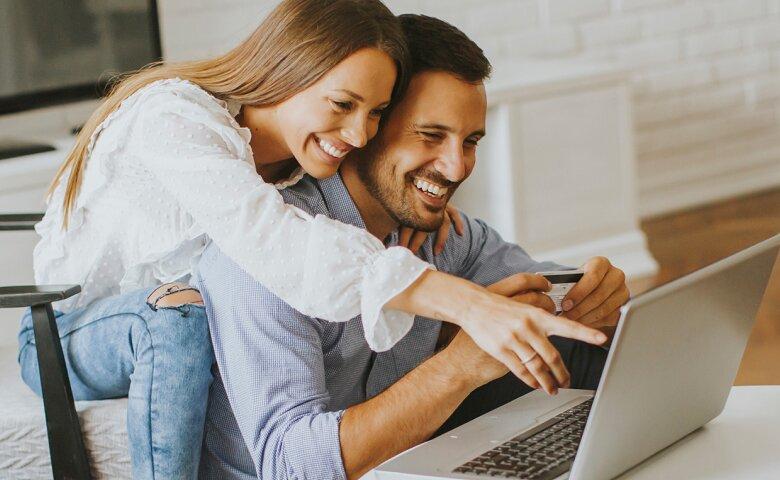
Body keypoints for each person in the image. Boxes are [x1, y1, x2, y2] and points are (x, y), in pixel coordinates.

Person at [18, 1, 611, 478]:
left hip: (182, 293)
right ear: (287, 72)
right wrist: (457, 304)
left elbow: (544, 297)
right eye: (344, 105)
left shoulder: (304, 166)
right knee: (178, 323)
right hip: (77, 320)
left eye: (375, 113)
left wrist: (590, 292)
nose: (356, 132)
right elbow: (270, 237)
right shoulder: (180, 125)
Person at [197, 13, 629, 479]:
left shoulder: (440, 234)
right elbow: (291, 465)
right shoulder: (264, 257)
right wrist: (458, 366)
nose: (457, 167)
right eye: (431, 136)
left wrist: (593, 294)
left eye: (470, 142)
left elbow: (540, 289)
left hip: (409, 464)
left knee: (586, 358)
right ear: (368, 127)